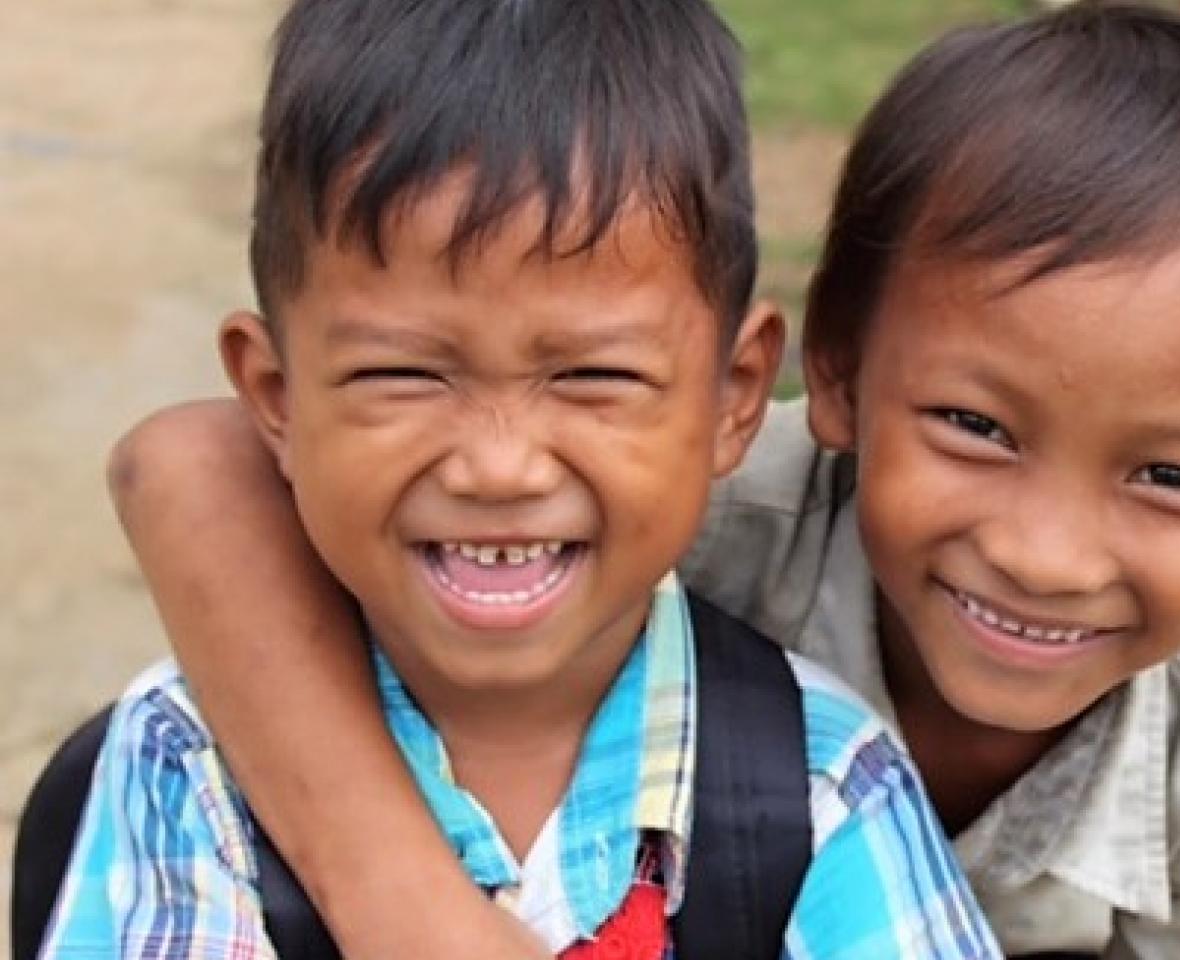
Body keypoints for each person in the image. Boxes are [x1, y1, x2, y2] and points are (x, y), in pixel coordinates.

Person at [106, 1, 1180, 957]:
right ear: (829, 375)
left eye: (1169, 474)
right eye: (974, 426)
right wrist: (402, 896)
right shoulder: (696, 502)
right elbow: (184, 463)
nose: (1046, 551)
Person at [38, 0, 1006, 957]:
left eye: (593, 376)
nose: (498, 466)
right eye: (403, 374)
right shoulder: (186, 766)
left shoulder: (823, 786)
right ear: (275, 397)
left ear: (736, 394)